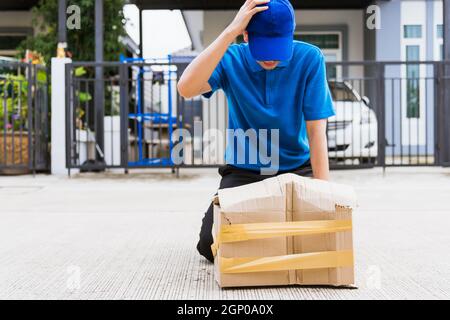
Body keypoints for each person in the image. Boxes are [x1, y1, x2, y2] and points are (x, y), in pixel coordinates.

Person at [177, 0, 335, 262]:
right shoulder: (231, 59)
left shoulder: (310, 59)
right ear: (246, 35)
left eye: (278, 47)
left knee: (316, 238)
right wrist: (229, 32)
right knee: (209, 245)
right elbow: (186, 88)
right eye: (263, 48)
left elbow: (317, 132)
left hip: (297, 167)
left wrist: (324, 195)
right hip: (245, 171)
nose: (271, 57)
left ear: (290, 36)